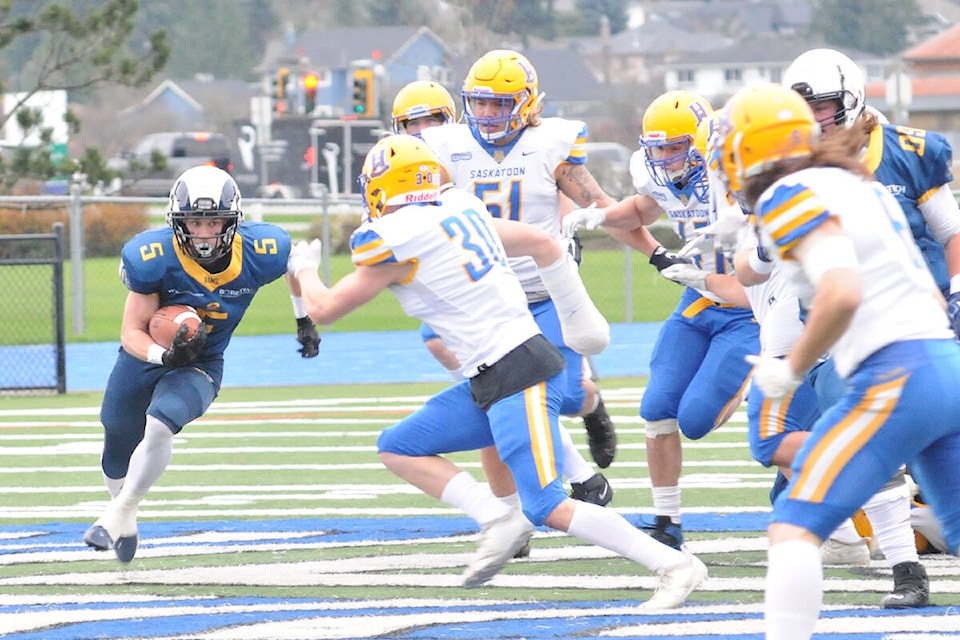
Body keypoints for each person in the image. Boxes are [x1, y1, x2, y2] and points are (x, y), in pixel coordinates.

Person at [288, 134, 707, 606]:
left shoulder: (399, 239)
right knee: (399, 446)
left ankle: (674, 565)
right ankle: (496, 516)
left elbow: (323, 309)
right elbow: (538, 241)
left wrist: (303, 268)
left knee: (547, 504)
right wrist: (576, 313)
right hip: (494, 374)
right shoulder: (460, 208)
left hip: (517, 370)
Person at [714, 82, 960, 640]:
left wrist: (791, 367)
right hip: (945, 364)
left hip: (897, 378)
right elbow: (923, 288)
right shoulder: (859, 184)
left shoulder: (787, 195)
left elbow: (842, 290)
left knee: (794, 525)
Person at [392, 80, 614, 514]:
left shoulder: (479, 149)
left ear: (450, 123)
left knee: (559, 396)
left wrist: (569, 231)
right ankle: (512, 515)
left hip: (532, 283)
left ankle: (590, 410)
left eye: (431, 121)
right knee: (495, 397)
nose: (421, 133)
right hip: (473, 291)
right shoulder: (405, 168)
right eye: (411, 124)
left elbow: (559, 193)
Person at [82, 165, 319, 563]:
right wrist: (163, 355)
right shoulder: (152, 256)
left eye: (214, 221)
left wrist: (303, 317)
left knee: (161, 422)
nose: (205, 233)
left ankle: (117, 513)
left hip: (204, 362)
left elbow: (293, 264)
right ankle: (126, 511)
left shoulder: (261, 249)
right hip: (147, 354)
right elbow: (131, 331)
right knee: (117, 433)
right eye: (194, 221)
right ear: (178, 221)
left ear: (232, 221)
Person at [562, 90, 760, 549]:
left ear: (702, 142)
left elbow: (763, 275)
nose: (665, 158)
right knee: (656, 410)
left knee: (694, 420)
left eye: (675, 147)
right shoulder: (659, 176)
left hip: (750, 309)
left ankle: (750, 380)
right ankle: (667, 523)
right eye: (658, 148)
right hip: (698, 302)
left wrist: (708, 273)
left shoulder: (738, 173)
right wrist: (601, 217)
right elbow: (638, 210)